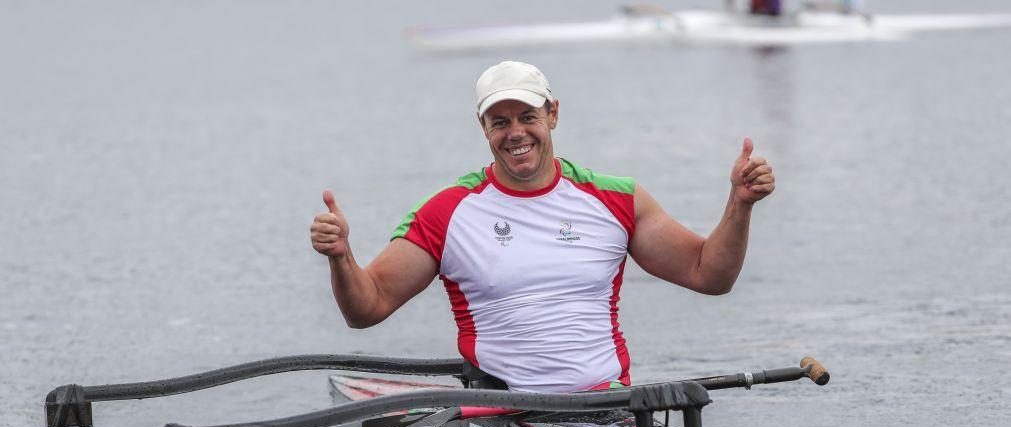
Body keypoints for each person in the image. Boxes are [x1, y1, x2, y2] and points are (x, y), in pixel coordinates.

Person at [310, 61, 775, 393]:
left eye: (528, 117)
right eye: (500, 122)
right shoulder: (445, 213)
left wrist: (740, 203)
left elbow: (708, 275)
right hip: (503, 412)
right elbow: (366, 308)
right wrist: (341, 257)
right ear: (483, 127)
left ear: (553, 114)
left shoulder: (617, 199)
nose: (516, 133)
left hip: (607, 404)